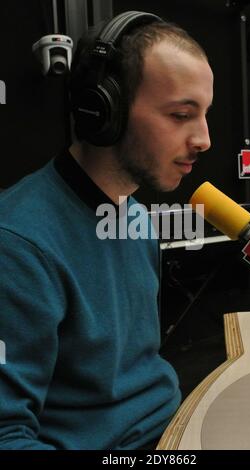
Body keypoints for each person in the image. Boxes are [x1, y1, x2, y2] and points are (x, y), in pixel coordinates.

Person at [0, 11, 213, 450]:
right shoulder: (17, 246)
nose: (204, 139)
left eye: (205, 114)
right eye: (180, 115)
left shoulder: (135, 217)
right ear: (104, 110)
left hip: (172, 433)